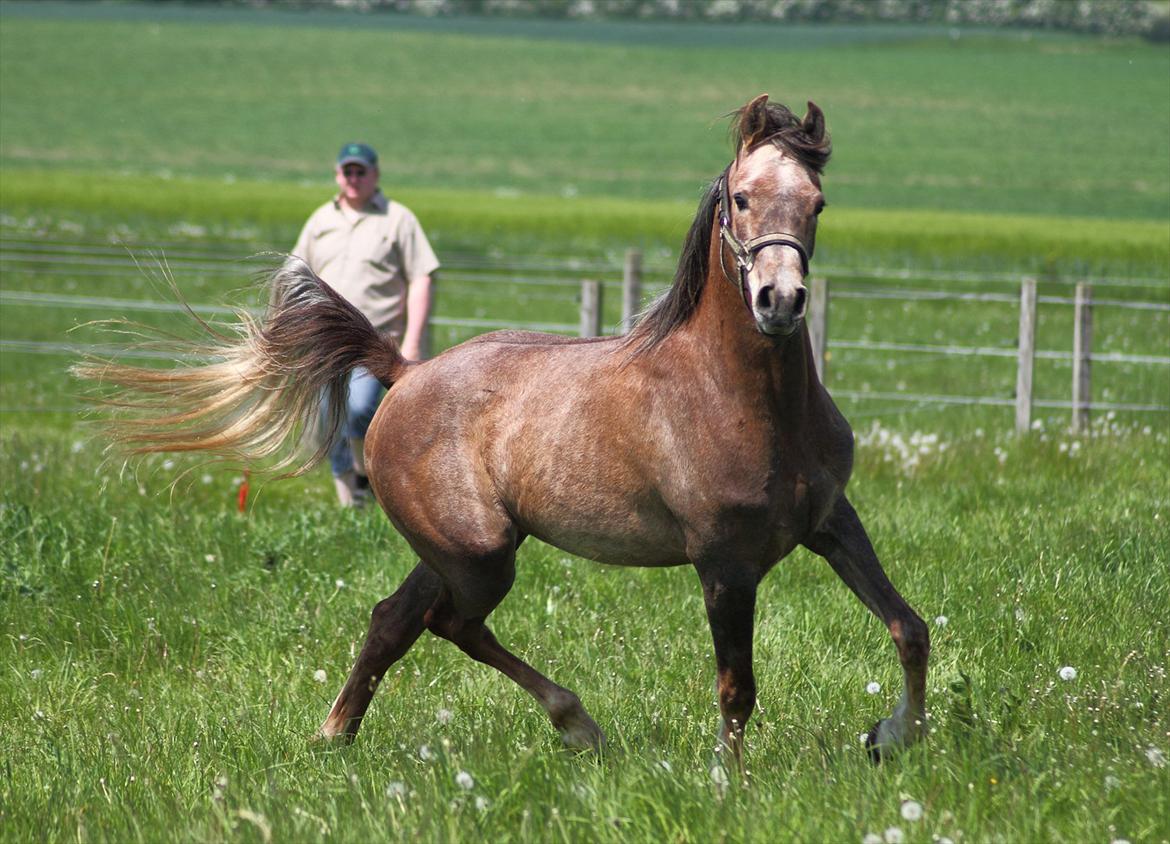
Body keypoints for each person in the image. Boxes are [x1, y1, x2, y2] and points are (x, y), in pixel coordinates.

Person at [293, 142, 440, 506]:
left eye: (361, 172)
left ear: (375, 175)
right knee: (331, 421)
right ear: (338, 175)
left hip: (377, 342)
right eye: (348, 172)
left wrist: (413, 340)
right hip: (326, 344)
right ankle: (350, 503)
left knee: (359, 410)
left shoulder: (398, 219)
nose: (354, 178)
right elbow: (298, 275)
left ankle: (366, 476)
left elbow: (421, 277)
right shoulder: (320, 221)